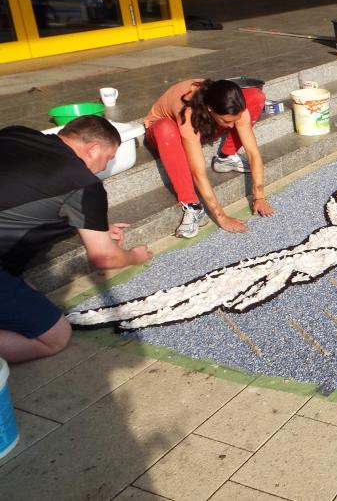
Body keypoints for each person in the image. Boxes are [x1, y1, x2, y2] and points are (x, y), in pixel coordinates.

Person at [0, 116, 153, 363]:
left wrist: (93, 227)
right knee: (55, 336)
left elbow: (21, 195)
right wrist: (135, 256)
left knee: (32, 297)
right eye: (108, 157)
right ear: (92, 149)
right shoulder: (83, 183)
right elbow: (104, 256)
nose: (105, 166)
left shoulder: (17, 133)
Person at [144, 78, 274, 238]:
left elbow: (253, 153)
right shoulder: (187, 113)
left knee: (255, 95)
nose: (232, 127)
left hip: (205, 125)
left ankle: (226, 157)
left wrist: (259, 196)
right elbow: (198, 173)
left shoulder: (229, 106)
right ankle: (192, 205)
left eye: (235, 120)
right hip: (166, 133)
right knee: (165, 129)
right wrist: (221, 217)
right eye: (227, 121)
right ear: (211, 109)